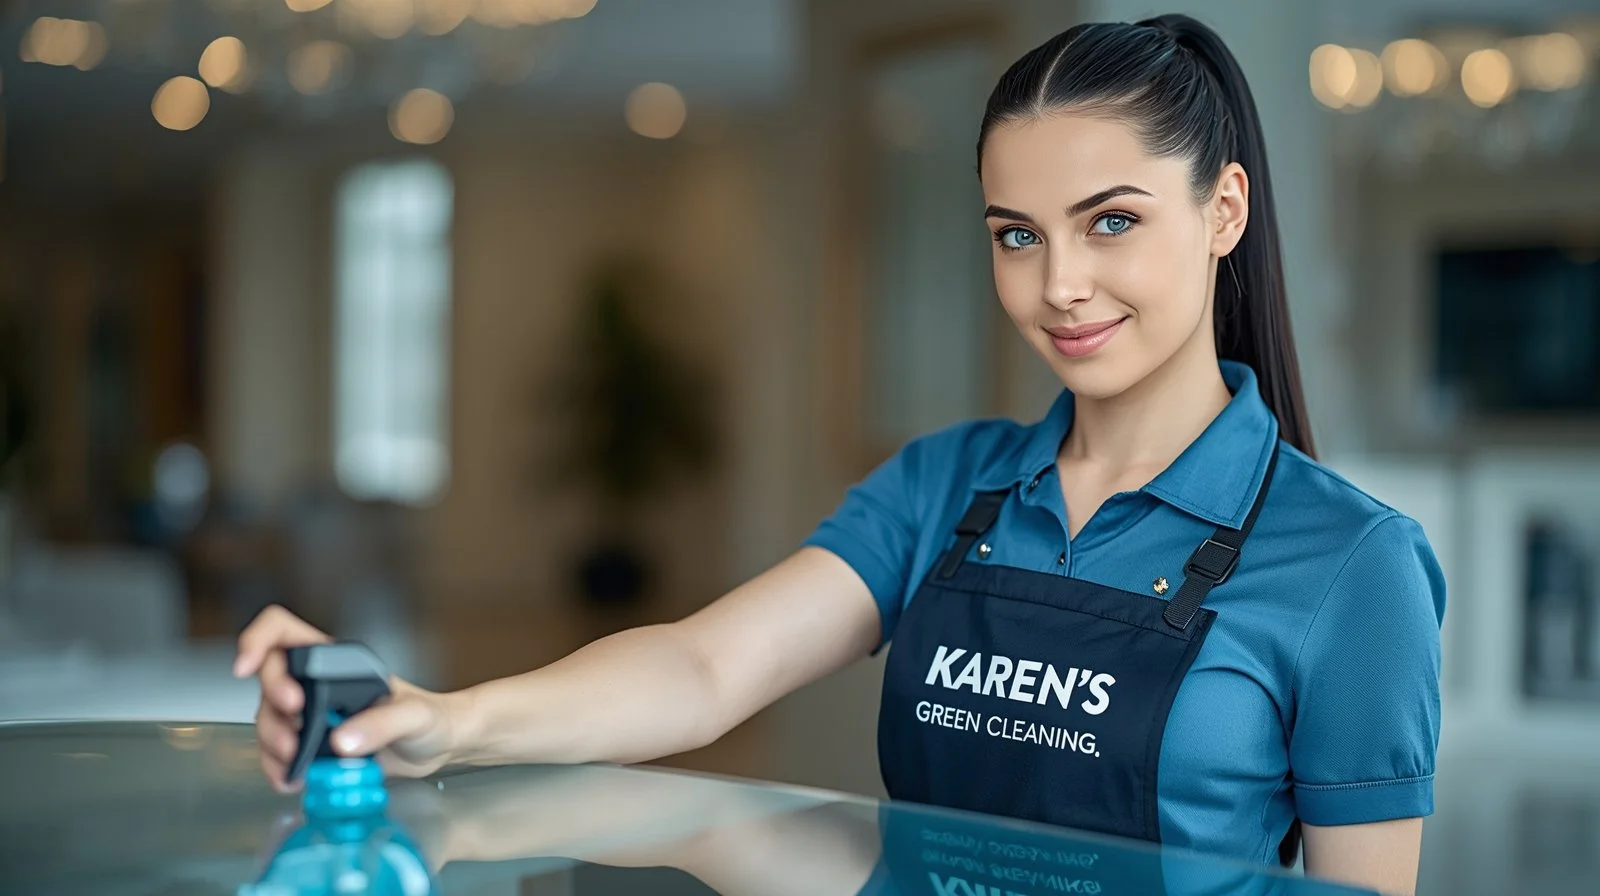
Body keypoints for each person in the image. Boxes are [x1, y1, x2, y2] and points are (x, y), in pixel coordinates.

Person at [235, 13, 1444, 896]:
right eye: (1015, 235)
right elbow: (705, 668)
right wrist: (446, 718)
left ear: (1223, 210)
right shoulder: (947, 486)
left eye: (1110, 221)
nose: (1059, 285)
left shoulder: (1351, 564)